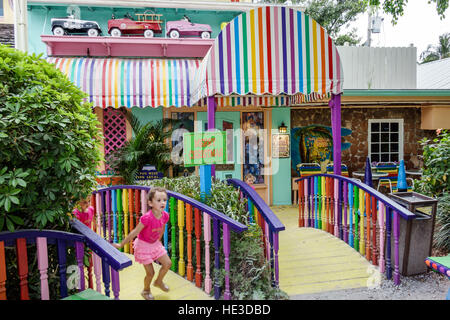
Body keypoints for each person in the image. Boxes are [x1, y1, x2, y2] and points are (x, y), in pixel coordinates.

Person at [112, 187, 171, 300]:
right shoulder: (147, 218)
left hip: (155, 244)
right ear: (150, 203)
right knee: (150, 273)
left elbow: (162, 227)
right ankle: (146, 290)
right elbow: (135, 232)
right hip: (143, 246)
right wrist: (121, 244)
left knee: (167, 263)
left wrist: (158, 239)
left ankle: (158, 282)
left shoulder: (165, 215)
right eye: (158, 200)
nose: (162, 202)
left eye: (164, 200)